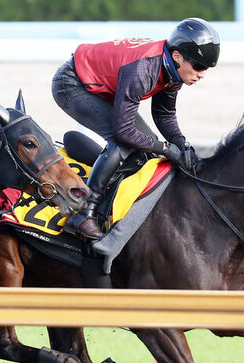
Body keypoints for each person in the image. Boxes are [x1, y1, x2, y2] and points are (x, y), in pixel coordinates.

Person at [52, 17, 220, 240]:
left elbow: (164, 114)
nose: (202, 74)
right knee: (122, 142)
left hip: (101, 85)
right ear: (177, 56)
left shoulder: (173, 66)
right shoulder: (144, 69)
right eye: (199, 67)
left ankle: (115, 198)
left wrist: (183, 145)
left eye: (206, 68)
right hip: (71, 83)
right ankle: (84, 213)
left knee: (147, 149)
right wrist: (168, 149)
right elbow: (124, 132)